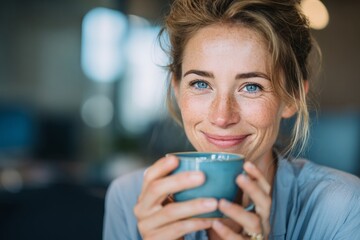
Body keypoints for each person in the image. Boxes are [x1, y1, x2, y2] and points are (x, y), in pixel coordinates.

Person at [103, 0, 360, 239]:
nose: (222, 116)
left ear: (292, 99)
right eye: (201, 83)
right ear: (178, 90)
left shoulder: (342, 206)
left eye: (251, 87)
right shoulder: (129, 199)